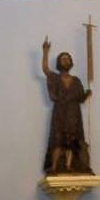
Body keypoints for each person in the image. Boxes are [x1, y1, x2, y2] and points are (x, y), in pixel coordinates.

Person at [41, 38, 93, 175]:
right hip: (60, 112)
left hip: (74, 114)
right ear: (59, 62)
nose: (66, 60)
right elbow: (45, 69)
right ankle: (53, 166)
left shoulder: (76, 81)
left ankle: (69, 166)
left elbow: (80, 98)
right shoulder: (55, 78)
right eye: (63, 58)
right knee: (58, 140)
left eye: (68, 58)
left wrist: (87, 94)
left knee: (72, 141)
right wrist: (45, 51)